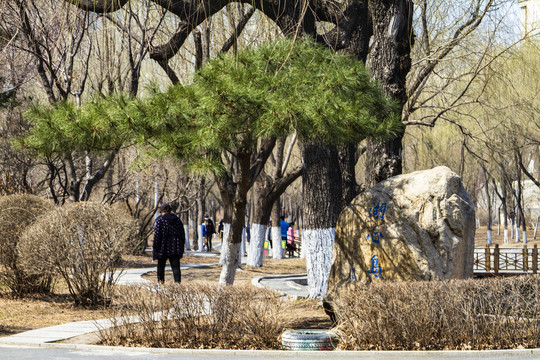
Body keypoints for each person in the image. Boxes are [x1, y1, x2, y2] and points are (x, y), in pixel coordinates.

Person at [153, 203, 185, 283]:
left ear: (161, 211)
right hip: (175, 248)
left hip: (162, 248)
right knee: (176, 268)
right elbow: (182, 235)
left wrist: (155, 249)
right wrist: (181, 248)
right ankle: (178, 286)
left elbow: (157, 236)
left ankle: (160, 284)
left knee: (160, 267)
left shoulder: (160, 220)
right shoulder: (177, 220)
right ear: (170, 210)